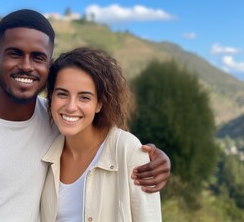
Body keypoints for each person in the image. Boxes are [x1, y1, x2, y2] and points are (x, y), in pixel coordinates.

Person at [0, 9, 169, 221]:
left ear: (49, 64)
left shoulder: (58, 119)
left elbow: (104, 140)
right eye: (15, 54)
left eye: (38, 57)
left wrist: (154, 158)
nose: (26, 66)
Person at [41, 47, 162, 221]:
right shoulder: (47, 149)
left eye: (84, 97)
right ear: (51, 97)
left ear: (99, 104)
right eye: (62, 94)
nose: (70, 106)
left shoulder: (127, 149)